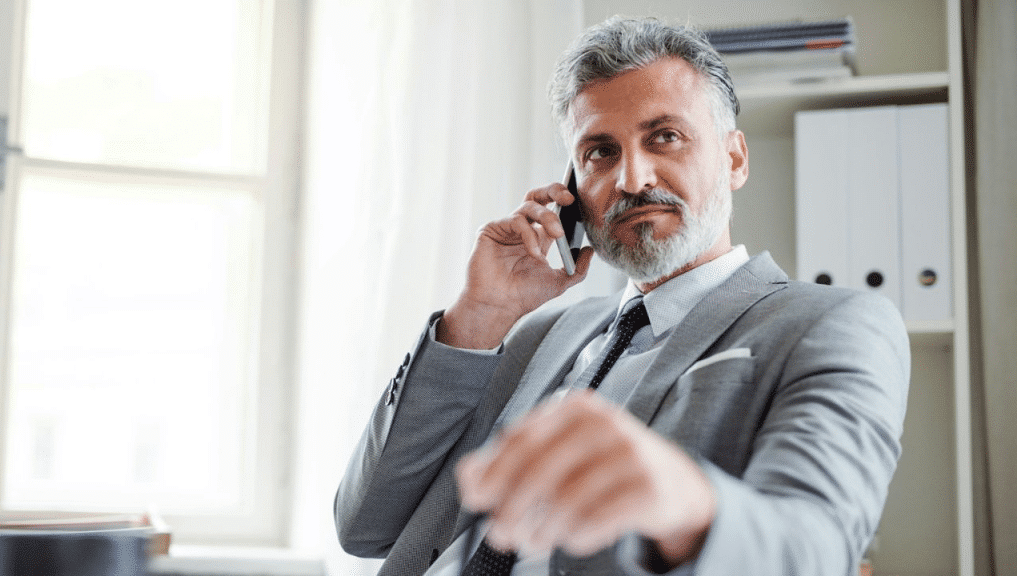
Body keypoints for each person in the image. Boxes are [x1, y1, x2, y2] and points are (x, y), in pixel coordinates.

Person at [334, 15, 909, 576]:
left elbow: (817, 548)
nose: (632, 179)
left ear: (734, 159)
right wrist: (479, 315)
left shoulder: (836, 324)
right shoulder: (536, 336)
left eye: (665, 137)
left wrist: (687, 504)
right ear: (573, 190)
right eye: (600, 153)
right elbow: (366, 528)